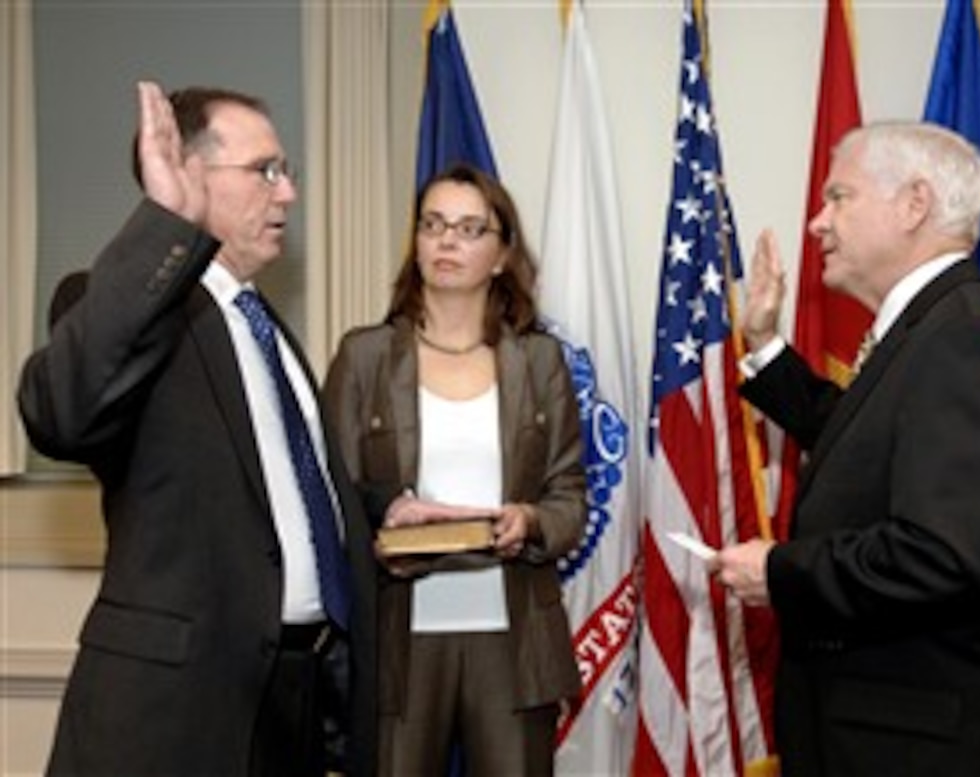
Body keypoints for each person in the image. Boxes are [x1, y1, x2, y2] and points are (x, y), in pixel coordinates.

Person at [18, 82, 377, 777]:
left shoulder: (267, 329)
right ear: (187, 173)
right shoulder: (112, 305)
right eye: (265, 171)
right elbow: (59, 412)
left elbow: (282, 496)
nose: (287, 194)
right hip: (173, 716)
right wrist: (164, 225)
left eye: (287, 171)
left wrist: (386, 506)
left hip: (289, 707)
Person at [710, 121, 980, 776]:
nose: (818, 222)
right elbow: (864, 444)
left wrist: (781, 571)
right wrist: (765, 347)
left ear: (914, 203)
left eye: (839, 196)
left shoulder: (969, 341)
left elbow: (946, 555)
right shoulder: (934, 330)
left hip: (933, 750)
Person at [323, 163, 585, 777]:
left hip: (516, 642)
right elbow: (332, 500)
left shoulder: (539, 361)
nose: (447, 241)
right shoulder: (364, 357)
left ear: (499, 256)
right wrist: (380, 538)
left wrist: (530, 520)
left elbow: (570, 498)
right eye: (434, 224)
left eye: (470, 229)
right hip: (397, 643)